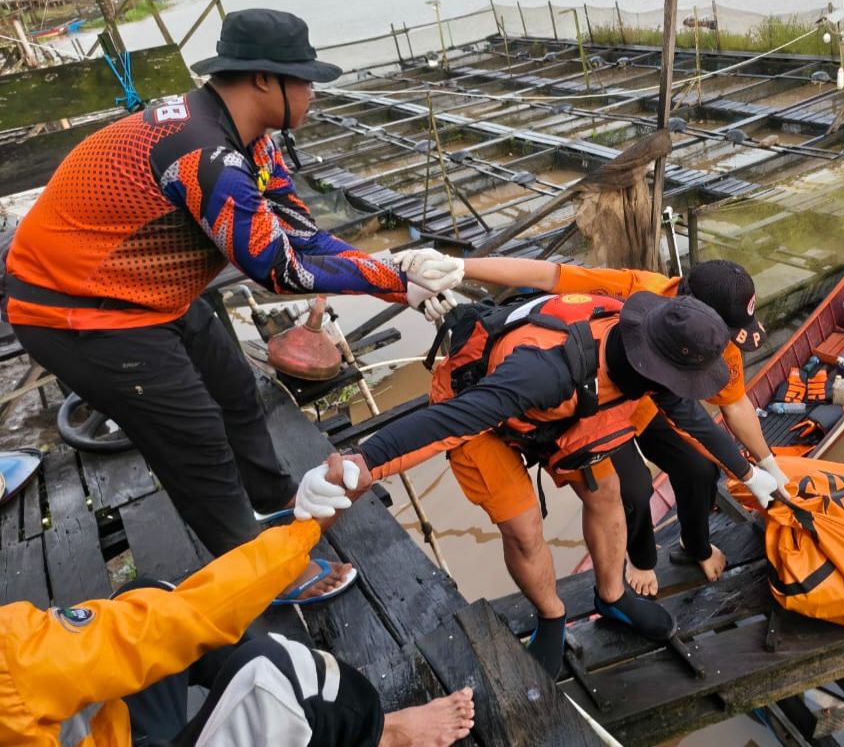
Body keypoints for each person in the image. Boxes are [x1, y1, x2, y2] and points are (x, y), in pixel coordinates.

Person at [2, 8, 455, 605]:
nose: (314, 92)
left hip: (145, 293)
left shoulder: (252, 143)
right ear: (264, 81)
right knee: (195, 441)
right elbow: (281, 269)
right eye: (305, 79)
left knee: (237, 393)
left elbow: (303, 234)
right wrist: (392, 279)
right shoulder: (204, 154)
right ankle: (260, 574)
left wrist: (398, 275)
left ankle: (273, 502)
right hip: (81, 311)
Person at [351, 291, 781, 676]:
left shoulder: (649, 355)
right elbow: (448, 422)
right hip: (482, 414)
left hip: (567, 411)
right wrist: (364, 462)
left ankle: (612, 596)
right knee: (522, 529)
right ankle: (551, 616)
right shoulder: (545, 371)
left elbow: (688, 419)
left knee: (607, 492)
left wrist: (749, 473)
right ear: (653, 364)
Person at [0, 455, 475, 747]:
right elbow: (182, 620)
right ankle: (384, 735)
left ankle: (247, 706)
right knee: (282, 673)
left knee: (142, 598)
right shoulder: (11, 660)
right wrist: (306, 530)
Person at [421, 252, 787, 595]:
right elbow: (549, 276)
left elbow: (735, 404)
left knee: (699, 470)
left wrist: (768, 464)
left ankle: (697, 545)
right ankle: (641, 559)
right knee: (634, 490)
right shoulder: (636, 288)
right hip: (600, 403)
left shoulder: (718, 338)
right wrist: (461, 266)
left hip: (651, 403)